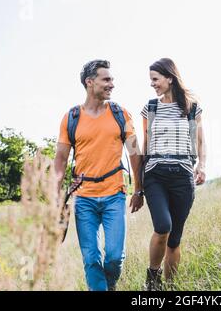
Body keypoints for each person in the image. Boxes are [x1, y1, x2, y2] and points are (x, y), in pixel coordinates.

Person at [54, 59, 144, 291]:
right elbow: (61, 159)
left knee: (114, 257)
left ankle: (109, 285)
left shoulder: (120, 114)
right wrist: (56, 197)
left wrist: (139, 189)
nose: (112, 84)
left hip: (115, 194)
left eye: (112, 79)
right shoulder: (71, 117)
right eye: (106, 79)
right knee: (91, 259)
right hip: (83, 199)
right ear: (89, 82)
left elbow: (134, 153)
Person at [141, 58, 207, 290]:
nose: (152, 84)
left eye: (155, 79)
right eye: (151, 80)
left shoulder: (191, 107)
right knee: (163, 226)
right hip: (155, 175)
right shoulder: (151, 108)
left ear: (170, 78)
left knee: (175, 238)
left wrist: (202, 166)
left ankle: (169, 288)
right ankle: (152, 277)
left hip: (182, 176)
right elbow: (145, 146)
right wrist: (139, 187)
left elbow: (200, 141)